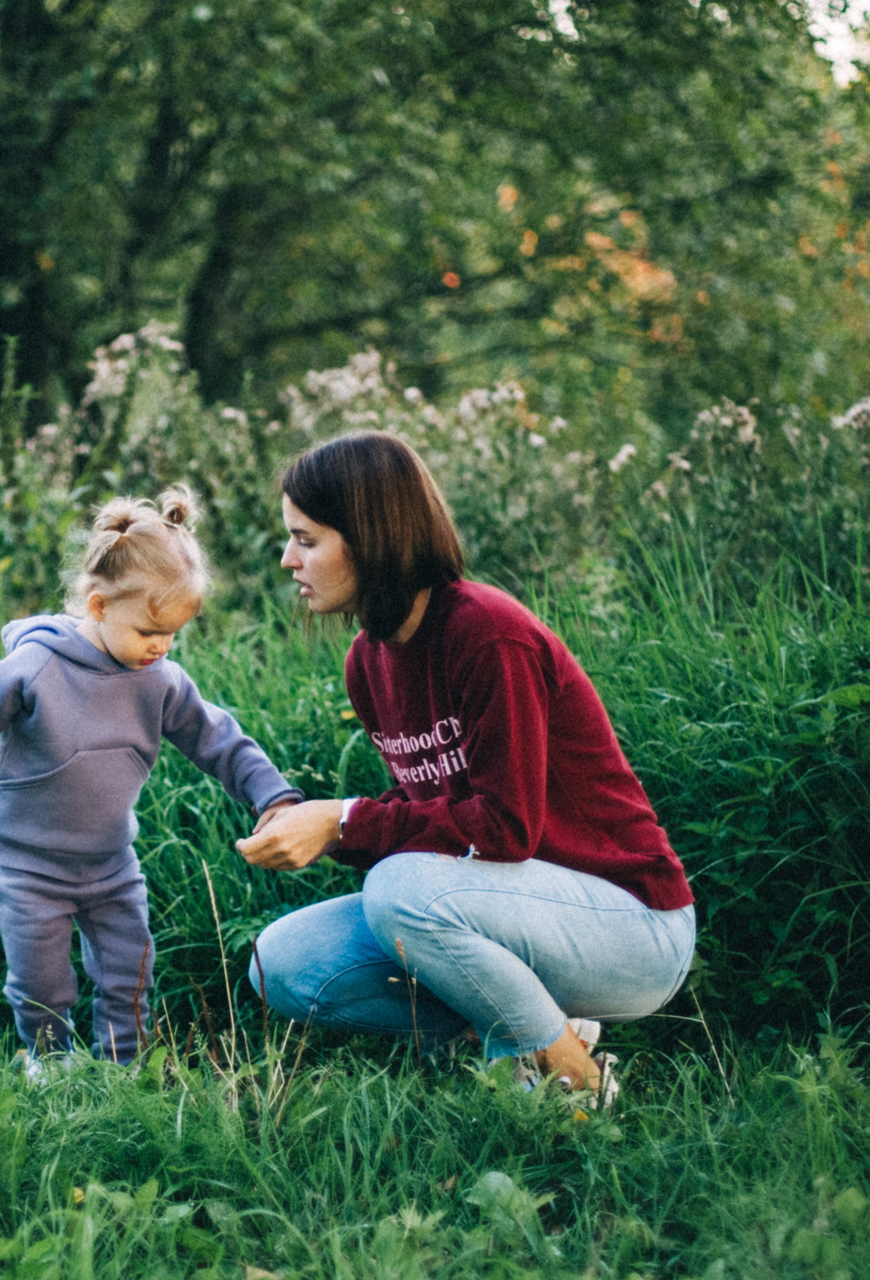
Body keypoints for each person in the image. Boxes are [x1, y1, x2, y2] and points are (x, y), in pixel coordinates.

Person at [234, 432, 694, 1099]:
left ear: (369, 536)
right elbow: (435, 817)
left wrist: (343, 822)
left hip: (631, 925)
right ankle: (515, 1037)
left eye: (306, 539)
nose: (287, 559)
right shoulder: (369, 661)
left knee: (398, 889)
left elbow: (505, 829)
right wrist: (317, 821)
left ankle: (578, 1083)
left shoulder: (486, 632)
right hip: (507, 911)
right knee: (281, 964)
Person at [0, 487, 302, 1066]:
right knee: (42, 986)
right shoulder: (37, 663)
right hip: (30, 869)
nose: (162, 647)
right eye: (149, 632)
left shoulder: (161, 681)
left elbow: (219, 741)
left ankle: (127, 1069)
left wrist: (272, 796)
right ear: (98, 607)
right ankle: (49, 1066)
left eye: (172, 634)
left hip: (111, 866)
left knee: (130, 974)